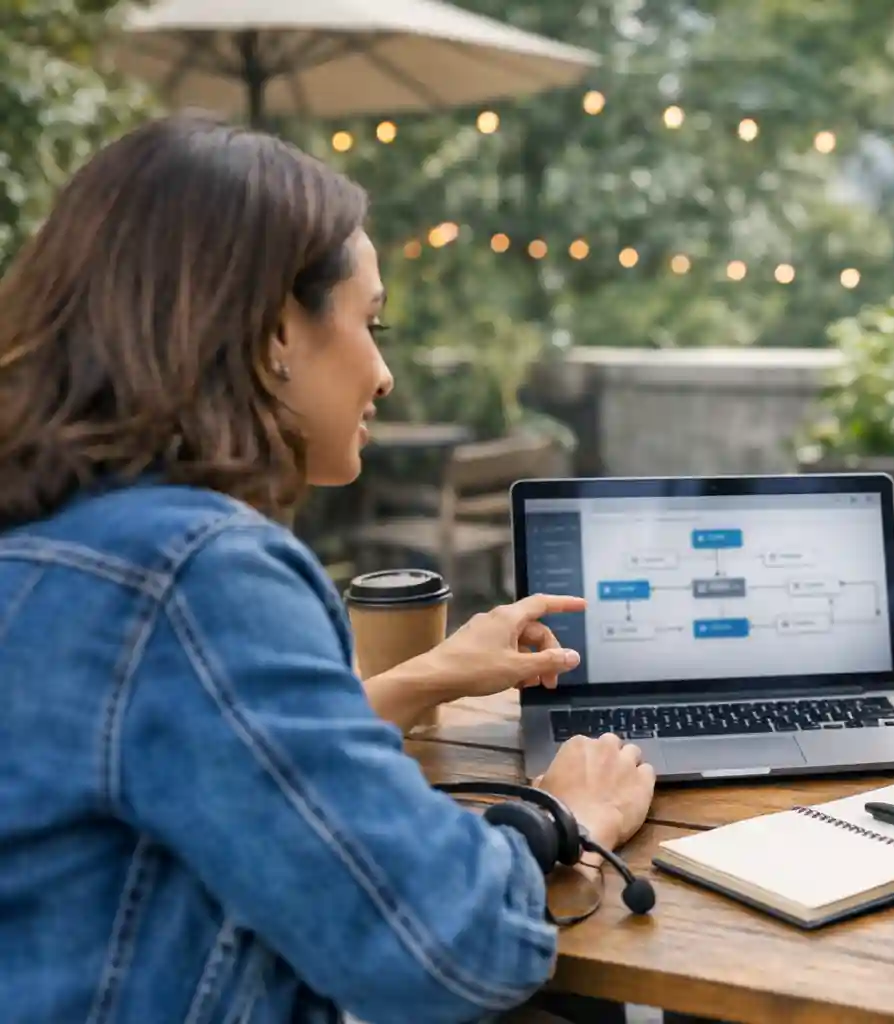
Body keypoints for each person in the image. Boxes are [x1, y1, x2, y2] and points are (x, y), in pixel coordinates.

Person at [0, 114, 653, 1023]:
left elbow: (206, 758)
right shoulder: (198, 574)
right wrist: (564, 816)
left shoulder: (55, 540)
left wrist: (430, 673)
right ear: (276, 328)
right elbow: (445, 948)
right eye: (368, 322)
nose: (383, 374)